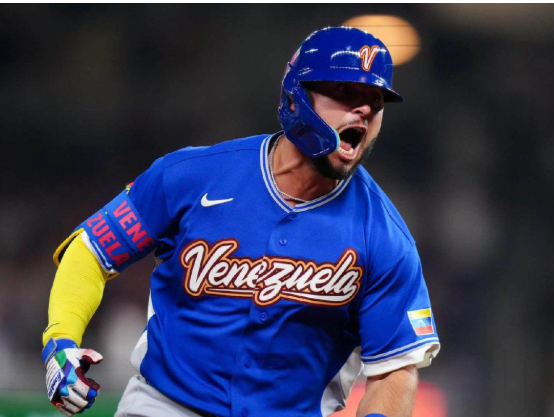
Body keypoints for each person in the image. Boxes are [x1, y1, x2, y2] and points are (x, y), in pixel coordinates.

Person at [42, 26, 441, 417]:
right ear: (296, 97)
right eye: (345, 92)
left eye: (375, 101)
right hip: (166, 405)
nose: (365, 110)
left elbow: (395, 370)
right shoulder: (191, 175)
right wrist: (60, 339)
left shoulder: (384, 235)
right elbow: (91, 252)